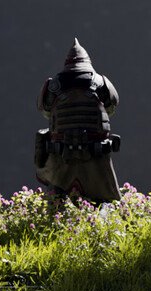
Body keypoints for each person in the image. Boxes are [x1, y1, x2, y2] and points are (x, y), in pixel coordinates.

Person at [34, 38, 122, 203]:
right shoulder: (101, 83)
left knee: (57, 209)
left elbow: (45, 111)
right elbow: (111, 108)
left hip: (61, 160)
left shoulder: (53, 87)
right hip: (96, 160)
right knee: (107, 205)